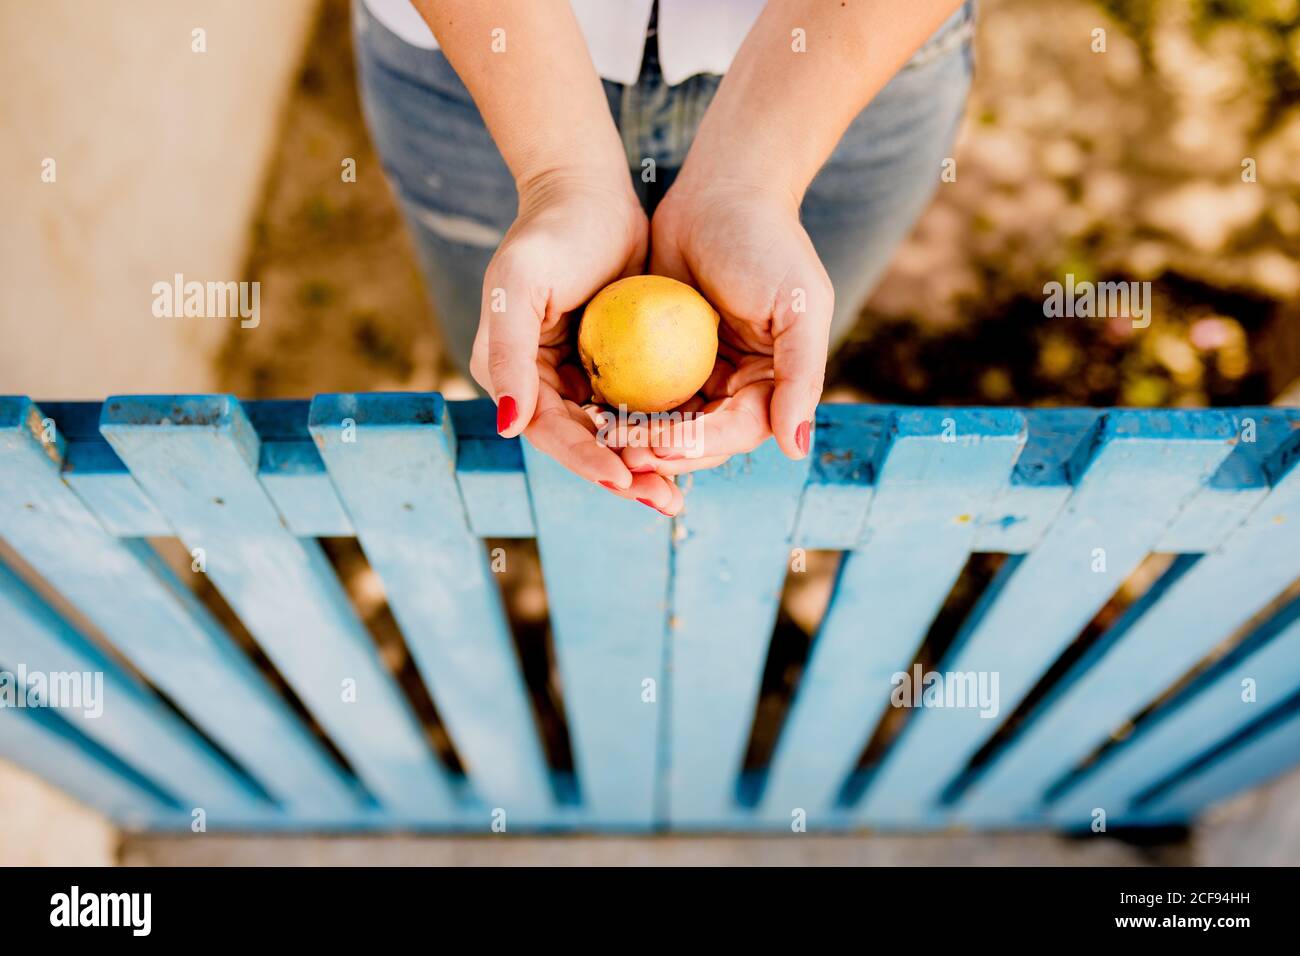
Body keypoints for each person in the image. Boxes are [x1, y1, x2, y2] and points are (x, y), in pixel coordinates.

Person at [355, 0, 974, 515]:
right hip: (484, 54)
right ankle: (539, 516)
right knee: (514, 355)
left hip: (848, 53)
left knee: (769, 347)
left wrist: (751, 184)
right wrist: (560, 179)